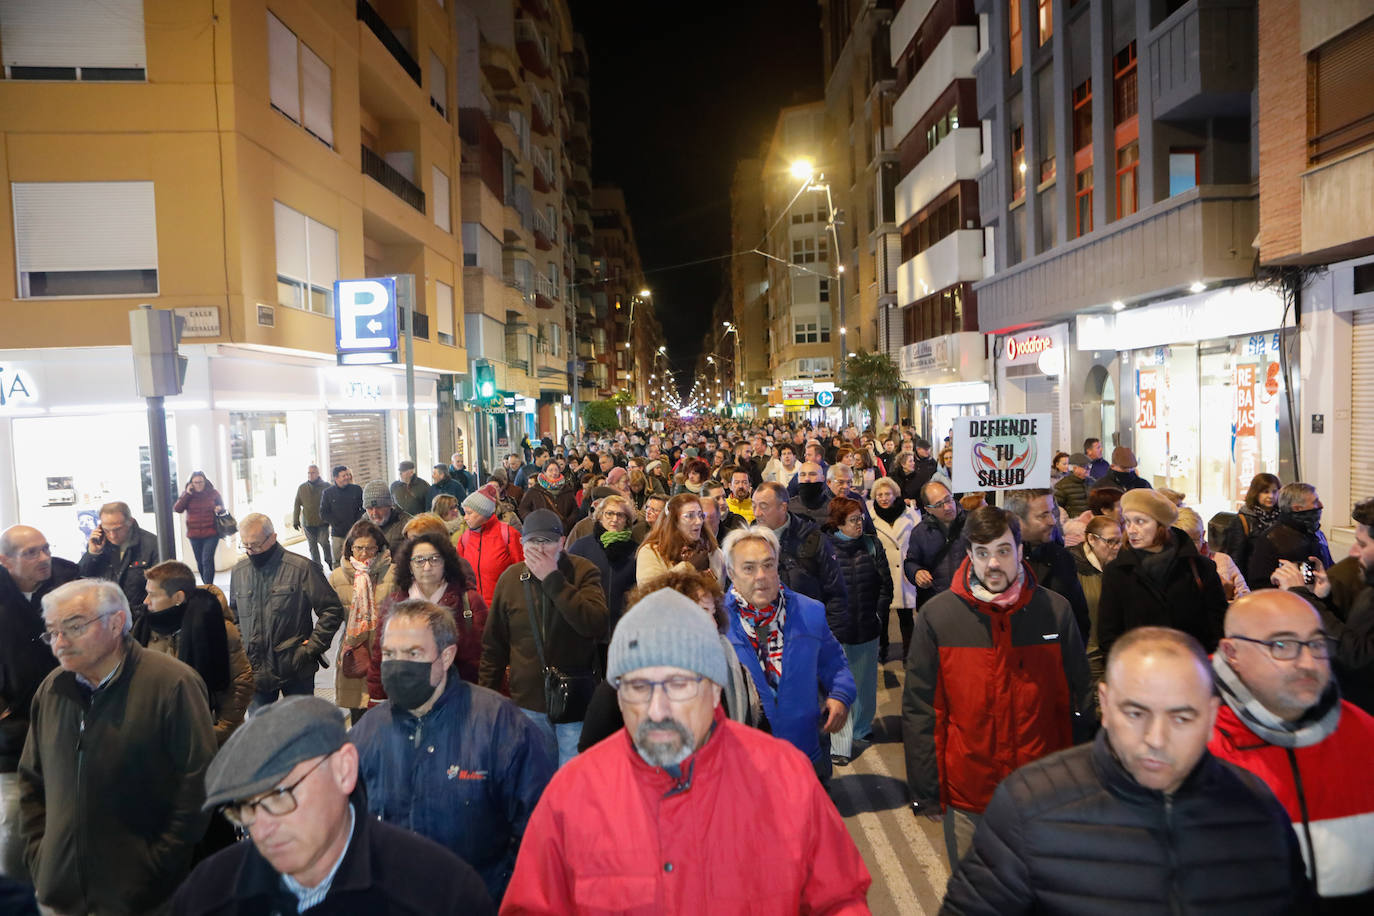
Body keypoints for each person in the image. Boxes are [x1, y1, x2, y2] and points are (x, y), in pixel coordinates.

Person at [502, 588, 871, 913]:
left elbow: (838, 901)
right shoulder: (572, 795)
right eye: (638, 687)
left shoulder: (784, 778)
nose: (657, 710)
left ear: (714, 690)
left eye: (678, 685)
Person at [941, 627, 1311, 914]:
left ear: (1212, 715)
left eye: (1182, 718)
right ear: (1104, 704)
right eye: (1136, 713)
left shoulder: (1258, 809)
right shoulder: (1028, 805)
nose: (1156, 739)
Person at [174, 696, 493, 915]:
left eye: (280, 795)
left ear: (344, 770)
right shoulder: (207, 894)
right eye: (245, 807)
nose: (261, 829)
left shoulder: (442, 895)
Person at [904, 506, 1091, 866]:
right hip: (969, 794)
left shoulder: (1055, 611)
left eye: (1003, 551)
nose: (993, 563)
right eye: (983, 552)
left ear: (1020, 551)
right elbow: (922, 710)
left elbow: (1076, 701)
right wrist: (927, 792)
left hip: (1042, 792)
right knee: (975, 889)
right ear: (969, 554)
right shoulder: (938, 617)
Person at [20, 578, 217, 915]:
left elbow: (198, 785)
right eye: (52, 632)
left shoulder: (172, 684)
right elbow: (32, 783)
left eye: (74, 627)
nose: (60, 643)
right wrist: (42, 859)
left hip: (144, 897)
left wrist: (157, 867)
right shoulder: (51, 691)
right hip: (61, 894)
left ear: (116, 623)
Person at [351, 600, 553, 904]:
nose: (399, 665)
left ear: (446, 657)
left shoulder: (500, 725)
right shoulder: (366, 734)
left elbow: (539, 831)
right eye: (390, 654)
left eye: (413, 653)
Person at [1208, 590, 1374, 908]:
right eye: (1282, 645)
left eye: (1316, 644)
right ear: (1232, 653)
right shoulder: (1197, 748)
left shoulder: (1364, 734)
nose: (1308, 663)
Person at [576, 569, 765, 751]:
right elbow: (592, 753)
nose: (713, 623)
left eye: (713, 613)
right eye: (702, 611)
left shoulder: (730, 671)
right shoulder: (628, 683)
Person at [722, 527, 855, 781]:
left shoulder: (809, 612)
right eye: (749, 568)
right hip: (744, 765)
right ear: (731, 572)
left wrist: (841, 694)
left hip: (805, 755)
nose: (761, 576)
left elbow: (836, 664)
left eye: (768, 565)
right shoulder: (716, 623)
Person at [478, 510, 609, 767]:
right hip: (529, 702)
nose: (539, 550)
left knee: (572, 777)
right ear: (521, 544)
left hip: (574, 700)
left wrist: (553, 578)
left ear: (562, 542)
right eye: (533, 542)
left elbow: (595, 624)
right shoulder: (510, 579)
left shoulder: (583, 571)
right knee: (536, 776)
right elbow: (494, 646)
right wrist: (487, 698)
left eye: (547, 542)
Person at [0, 525, 77, 882]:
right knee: (14, 829)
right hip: (12, 740)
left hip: (67, 728)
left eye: (45, 548)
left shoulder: (68, 586)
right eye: (31, 553)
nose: (44, 558)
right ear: (5, 560)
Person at [229, 513, 344, 709]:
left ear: (273, 538)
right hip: (254, 670)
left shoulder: (301, 568)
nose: (251, 551)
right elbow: (234, 615)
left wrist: (311, 649)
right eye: (245, 545)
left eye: (256, 545)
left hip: (296, 668)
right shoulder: (239, 571)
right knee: (259, 725)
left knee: (301, 723)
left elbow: (331, 609)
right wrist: (242, 647)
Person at [1097, 489, 1228, 659]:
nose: (1132, 530)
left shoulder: (1200, 567)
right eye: (1127, 522)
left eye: (1140, 521)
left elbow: (1217, 625)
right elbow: (1108, 634)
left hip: (1191, 666)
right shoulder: (1117, 572)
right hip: (1140, 668)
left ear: (1161, 525)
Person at [140, 561, 253, 746]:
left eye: (152, 594)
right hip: (158, 738)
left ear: (178, 597)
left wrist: (217, 731)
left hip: (203, 737)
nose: (146, 601)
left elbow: (240, 683)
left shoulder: (216, 628)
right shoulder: (145, 628)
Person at [368, 533, 488, 701]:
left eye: (434, 559)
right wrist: (377, 701)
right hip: (408, 698)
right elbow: (380, 656)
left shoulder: (469, 601)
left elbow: (487, 658)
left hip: (461, 698)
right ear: (410, 566)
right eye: (419, 560)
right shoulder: (395, 603)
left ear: (445, 563)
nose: (427, 567)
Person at [823, 497, 891, 761]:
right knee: (839, 686)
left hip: (867, 627)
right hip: (836, 630)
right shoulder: (825, 549)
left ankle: (862, 728)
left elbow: (885, 586)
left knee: (864, 683)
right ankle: (839, 738)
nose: (859, 524)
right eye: (852, 520)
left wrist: (878, 614)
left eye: (860, 518)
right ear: (839, 523)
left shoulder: (872, 545)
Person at [750, 481, 850, 633]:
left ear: (783, 507)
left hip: (806, 632)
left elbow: (836, 594)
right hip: (763, 636)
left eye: (763, 506)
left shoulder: (812, 539)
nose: (757, 513)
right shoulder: (747, 542)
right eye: (754, 506)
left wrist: (828, 637)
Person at [1004, 489, 1091, 642]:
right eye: (1043, 515)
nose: (1052, 521)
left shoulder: (1062, 557)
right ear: (1017, 520)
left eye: (1052, 512)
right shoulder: (1000, 563)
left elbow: (1078, 617)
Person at [326, 519, 390, 721]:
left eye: (370, 548)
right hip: (355, 650)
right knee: (359, 717)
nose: (364, 553)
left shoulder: (393, 573)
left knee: (387, 716)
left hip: (385, 651)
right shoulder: (337, 577)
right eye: (359, 548)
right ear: (350, 548)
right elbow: (330, 616)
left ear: (379, 548)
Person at [567, 494, 640, 637]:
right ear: (600, 516)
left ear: (627, 520)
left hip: (623, 627)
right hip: (588, 627)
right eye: (609, 513)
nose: (615, 519)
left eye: (620, 515)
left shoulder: (635, 550)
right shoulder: (581, 547)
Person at [77, 499, 161, 613]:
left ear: (130, 522)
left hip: (141, 613)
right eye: (107, 530)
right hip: (105, 612)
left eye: (118, 529)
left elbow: (159, 586)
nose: (112, 535)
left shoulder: (151, 544)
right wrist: (92, 554)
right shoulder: (98, 543)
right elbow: (81, 578)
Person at [1070, 515, 1122, 696]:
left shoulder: (1118, 567)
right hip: (1087, 654)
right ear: (1091, 539)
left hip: (1112, 653)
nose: (1117, 547)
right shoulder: (1073, 567)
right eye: (1111, 541)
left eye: (1120, 542)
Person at [869, 476, 920, 662]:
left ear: (895, 494)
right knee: (881, 615)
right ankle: (883, 649)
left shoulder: (910, 514)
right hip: (882, 572)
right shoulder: (870, 517)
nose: (884, 498)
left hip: (904, 571)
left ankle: (909, 652)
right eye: (880, 495)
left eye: (887, 494)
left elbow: (918, 539)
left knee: (906, 616)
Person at [1248, 482, 1334, 591]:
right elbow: (1259, 584)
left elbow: (1329, 567)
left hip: (1321, 596)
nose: (1321, 505)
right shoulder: (1271, 539)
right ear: (1297, 508)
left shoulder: (1317, 533)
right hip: (1289, 598)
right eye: (1315, 502)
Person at [455, 482, 526, 608]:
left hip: (504, 609)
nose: (465, 518)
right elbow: (458, 576)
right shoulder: (465, 539)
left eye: (469, 513)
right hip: (474, 610)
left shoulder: (508, 535)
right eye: (464, 513)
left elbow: (522, 572)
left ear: (483, 513)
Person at [903, 480, 968, 607]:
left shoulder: (973, 523)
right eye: (939, 504)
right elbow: (911, 562)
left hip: (971, 601)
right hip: (936, 602)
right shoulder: (920, 532)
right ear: (928, 509)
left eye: (948, 499)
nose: (947, 507)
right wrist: (916, 573)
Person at [635, 493, 724, 584]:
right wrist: (689, 567)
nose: (698, 521)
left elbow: (720, 589)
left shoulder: (711, 551)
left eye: (700, 515)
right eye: (690, 516)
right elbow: (649, 590)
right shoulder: (651, 552)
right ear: (674, 521)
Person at [1176, 507, 1249, 602]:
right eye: (1182, 542)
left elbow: (1247, 600)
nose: (1189, 547)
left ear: (1202, 536)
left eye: (1194, 540)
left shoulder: (1223, 560)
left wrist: (1231, 593)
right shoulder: (1168, 566)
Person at [1219, 471, 1282, 576]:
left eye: (1275, 492)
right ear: (1256, 493)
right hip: (1253, 578)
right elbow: (1236, 557)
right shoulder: (1243, 520)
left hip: (1279, 576)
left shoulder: (1282, 517)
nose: (1271, 496)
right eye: (1265, 492)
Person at [174, 471, 226, 586]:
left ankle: (208, 586)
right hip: (194, 534)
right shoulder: (188, 495)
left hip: (211, 532)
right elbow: (178, 509)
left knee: (207, 559)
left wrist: (219, 508)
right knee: (200, 561)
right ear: (191, 483)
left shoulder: (213, 493)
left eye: (201, 482)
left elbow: (222, 507)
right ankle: (205, 584)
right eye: (196, 482)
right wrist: (187, 494)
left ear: (205, 481)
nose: (198, 484)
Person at [517, 459, 582, 533]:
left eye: (556, 470)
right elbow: (523, 509)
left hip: (563, 531)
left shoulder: (567, 490)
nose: (554, 473)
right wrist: (534, 521)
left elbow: (575, 510)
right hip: (541, 531)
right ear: (544, 472)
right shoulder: (535, 490)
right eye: (550, 470)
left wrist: (567, 523)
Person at [319, 465, 363, 570]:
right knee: (337, 561)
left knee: (357, 559)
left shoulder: (356, 490)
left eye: (347, 475)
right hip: (338, 534)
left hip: (355, 533)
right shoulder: (328, 493)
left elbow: (363, 508)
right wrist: (335, 522)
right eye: (344, 476)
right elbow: (323, 513)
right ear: (336, 478)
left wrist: (358, 521)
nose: (347, 477)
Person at [290, 465, 331, 569]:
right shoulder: (302, 488)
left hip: (322, 522)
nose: (310, 475)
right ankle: (317, 568)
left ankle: (330, 561)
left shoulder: (326, 487)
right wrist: (295, 520)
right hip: (308, 523)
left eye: (313, 473)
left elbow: (332, 503)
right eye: (309, 473)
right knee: (313, 547)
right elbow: (297, 504)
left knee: (324, 543)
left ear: (318, 474)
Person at [788, 461, 832, 526]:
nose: (807, 479)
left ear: (822, 478)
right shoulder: (788, 507)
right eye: (802, 475)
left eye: (812, 474)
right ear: (798, 479)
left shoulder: (834, 508)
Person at [1053, 452, 1093, 518]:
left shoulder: (1093, 482)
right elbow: (1056, 509)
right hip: (1073, 522)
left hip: (1093, 521)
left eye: (1090, 466)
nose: (1088, 469)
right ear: (1075, 468)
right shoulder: (1062, 486)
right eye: (1085, 467)